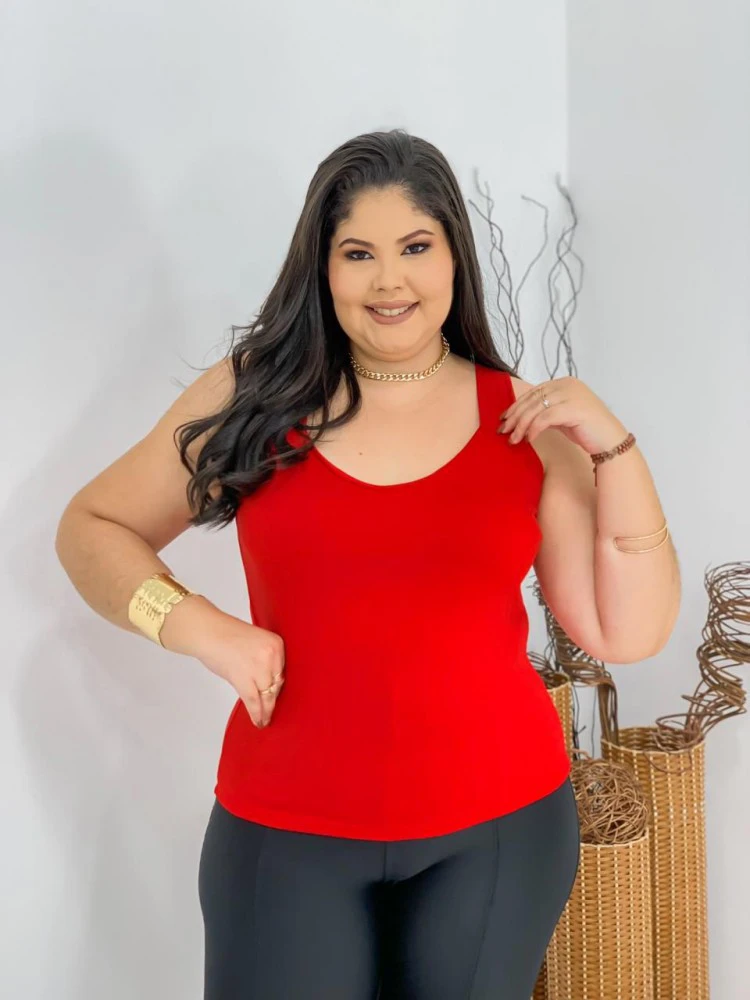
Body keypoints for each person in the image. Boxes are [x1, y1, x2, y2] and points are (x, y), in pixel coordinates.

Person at [55, 128, 680, 999]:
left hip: (500, 834)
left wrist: (613, 448)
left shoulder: (525, 423)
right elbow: (92, 528)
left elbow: (627, 630)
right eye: (359, 254)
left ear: (454, 256)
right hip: (285, 829)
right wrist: (202, 629)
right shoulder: (254, 397)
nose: (390, 281)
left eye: (416, 247)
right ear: (323, 269)